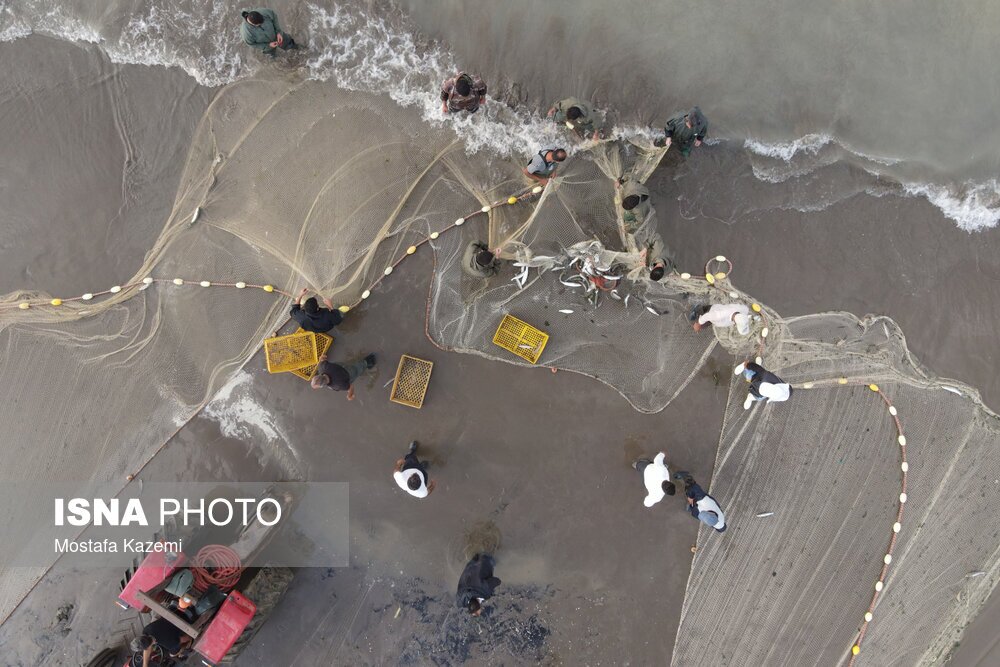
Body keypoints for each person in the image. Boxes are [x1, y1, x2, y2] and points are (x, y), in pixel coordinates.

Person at [311, 353, 376, 400]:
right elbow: (323, 358)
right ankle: (364, 363)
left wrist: (350, 395)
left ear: (323, 385)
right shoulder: (322, 367)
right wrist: (322, 357)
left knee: (356, 370)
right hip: (340, 366)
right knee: (349, 366)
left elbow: (350, 387)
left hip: (348, 373)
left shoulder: (339, 385)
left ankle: (368, 361)